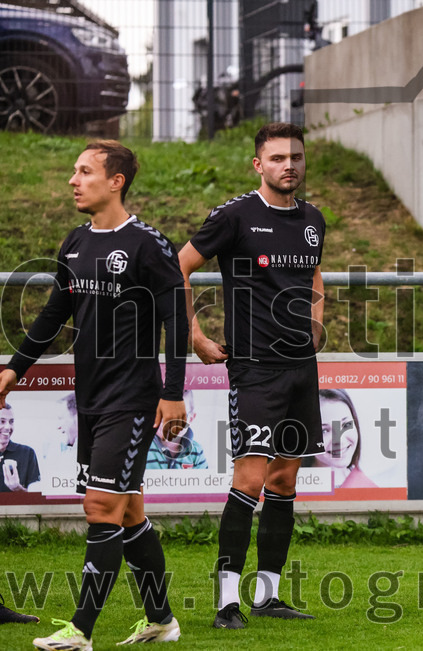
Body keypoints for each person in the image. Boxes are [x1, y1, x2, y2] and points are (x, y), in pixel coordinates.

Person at [0, 140, 186, 648]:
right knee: (128, 513)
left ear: (115, 181)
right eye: (74, 171)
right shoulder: (76, 243)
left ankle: (80, 631)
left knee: (100, 508)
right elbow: (53, 315)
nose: (72, 180)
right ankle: (162, 621)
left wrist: (173, 393)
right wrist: (14, 370)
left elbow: (176, 321)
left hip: (133, 399)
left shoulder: (150, 245)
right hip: (92, 400)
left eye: (84, 171)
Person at [178, 122, 326, 628]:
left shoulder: (313, 219)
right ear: (258, 165)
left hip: (301, 369)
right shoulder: (236, 215)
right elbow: (176, 268)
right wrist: (194, 335)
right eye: (279, 158)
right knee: (251, 477)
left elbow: (314, 273)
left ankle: (268, 596)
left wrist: (318, 317)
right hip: (255, 369)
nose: (290, 165)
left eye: (297, 157)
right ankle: (226, 602)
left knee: (285, 479)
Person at [309, 389, 377, 489]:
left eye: (346, 425)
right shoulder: (289, 487)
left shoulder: (368, 488)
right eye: (324, 431)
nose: (339, 441)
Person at [146, 390, 208, 470]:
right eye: (163, 414)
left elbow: (205, 481)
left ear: (191, 418)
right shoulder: (142, 447)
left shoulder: (196, 451)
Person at [0, 403, 41, 492]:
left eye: (11, 421)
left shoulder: (27, 453)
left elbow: (35, 497)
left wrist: (17, 488)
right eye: (2, 421)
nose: (8, 427)